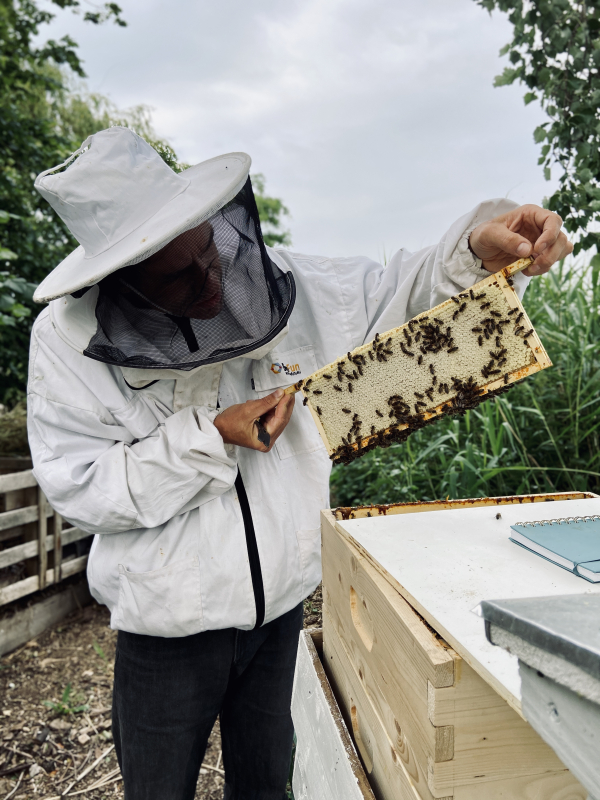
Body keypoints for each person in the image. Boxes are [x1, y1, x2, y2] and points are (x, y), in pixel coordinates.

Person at [27, 127, 571, 800]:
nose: (211, 285)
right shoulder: (65, 343)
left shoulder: (284, 282)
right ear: (119, 281)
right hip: (167, 631)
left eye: (208, 254)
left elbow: (392, 301)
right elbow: (81, 488)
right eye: (177, 278)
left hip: (279, 610)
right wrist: (210, 439)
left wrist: (470, 252)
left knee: (267, 788)